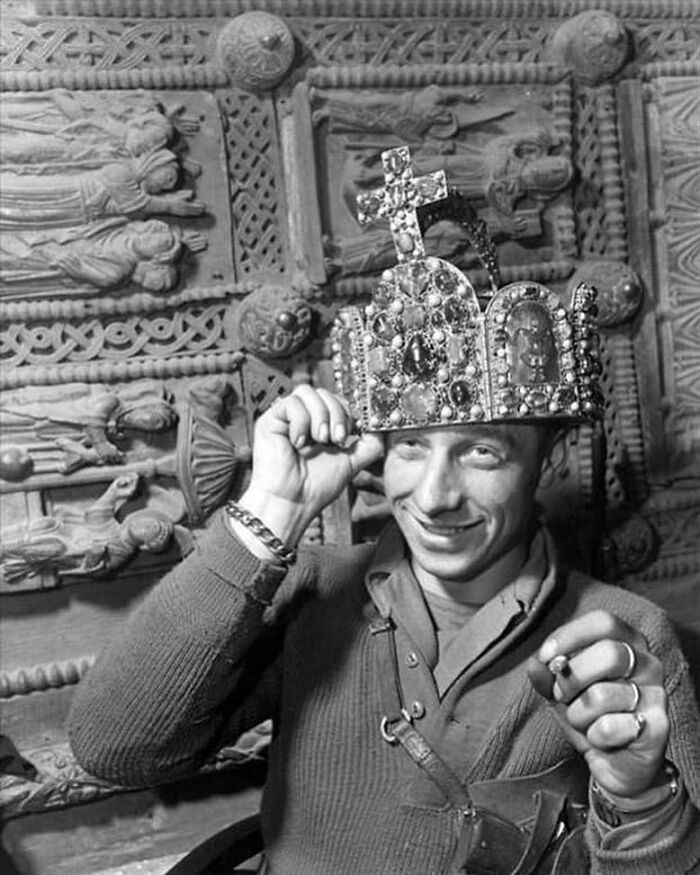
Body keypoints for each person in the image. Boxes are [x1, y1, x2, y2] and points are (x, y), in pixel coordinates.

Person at [68, 148, 700, 874]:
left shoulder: (624, 636)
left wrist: (641, 800)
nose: (433, 496)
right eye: (409, 448)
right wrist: (269, 513)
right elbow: (113, 748)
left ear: (548, 462)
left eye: (482, 453)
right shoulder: (314, 590)